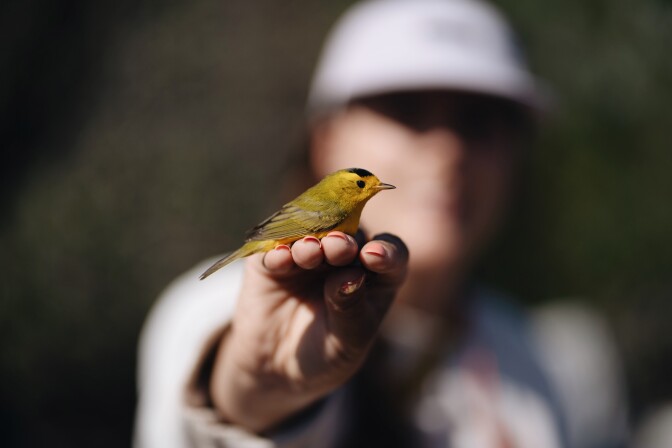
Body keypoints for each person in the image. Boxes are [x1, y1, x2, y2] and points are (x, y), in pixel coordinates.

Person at [134, 0, 570, 447]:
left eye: (479, 121)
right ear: (326, 140)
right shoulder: (228, 301)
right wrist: (258, 392)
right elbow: (215, 396)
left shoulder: (527, 356)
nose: (447, 150)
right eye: (406, 110)